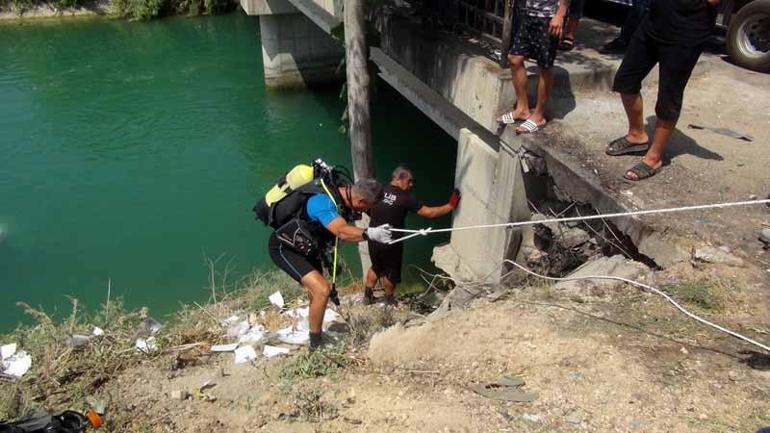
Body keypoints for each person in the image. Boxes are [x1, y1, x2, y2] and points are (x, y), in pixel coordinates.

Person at [266, 176, 392, 350]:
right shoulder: (323, 202)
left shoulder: (344, 197)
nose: (366, 212)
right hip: (285, 246)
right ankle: (316, 345)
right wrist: (370, 234)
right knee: (322, 290)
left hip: (307, 246)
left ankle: (313, 327)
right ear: (361, 201)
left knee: (316, 293)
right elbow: (341, 231)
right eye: (367, 208)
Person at [607, 0, 719, 181]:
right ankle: (637, 135)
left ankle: (654, 157)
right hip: (653, 22)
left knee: (669, 96)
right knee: (625, 80)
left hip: (686, 32)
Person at [363, 165, 461, 305]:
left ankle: (367, 296)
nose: (411, 184)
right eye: (409, 181)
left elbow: (368, 208)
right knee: (391, 272)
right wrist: (450, 206)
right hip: (391, 241)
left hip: (373, 237)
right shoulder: (405, 198)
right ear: (398, 179)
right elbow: (429, 213)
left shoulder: (380, 191)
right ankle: (389, 301)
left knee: (376, 266)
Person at [497, 0, 569, 134]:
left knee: (545, 65)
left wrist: (560, 15)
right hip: (529, 14)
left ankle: (538, 115)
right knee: (514, 58)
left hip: (549, 17)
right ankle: (522, 109)